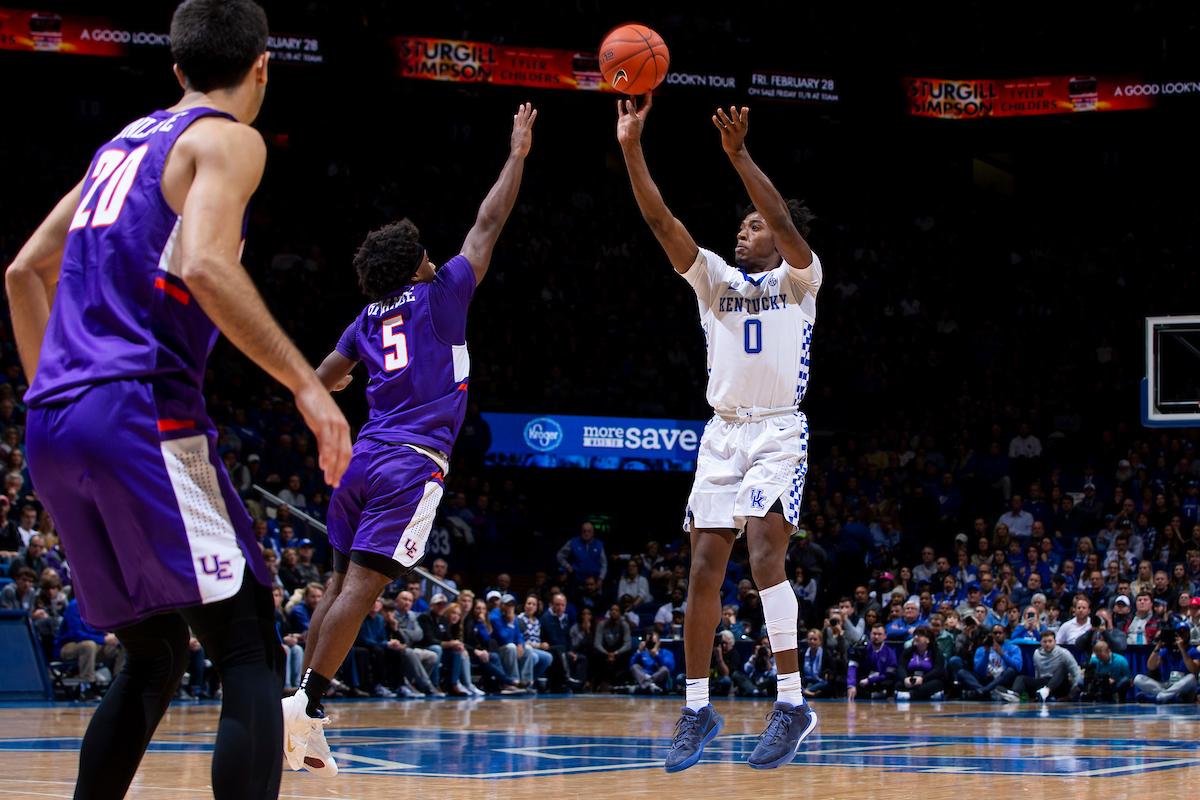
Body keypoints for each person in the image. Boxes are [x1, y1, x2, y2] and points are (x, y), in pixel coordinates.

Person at [6, 3, 354, 796]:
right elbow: (203, 263)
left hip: (54, 422)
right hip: (139, 411)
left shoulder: (118, 147)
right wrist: (307, 384)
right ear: (263, 65)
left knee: (157, 650)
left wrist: (51, 392)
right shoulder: (227, 138)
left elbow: (24, 271)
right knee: (250, 650)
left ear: (177, 70)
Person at [283, 103, 537, 775]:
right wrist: (517, 154)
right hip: (409, 463)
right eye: (425, 254)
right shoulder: (442, 294)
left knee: (338, 584)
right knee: (362, 592)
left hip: (362, 459)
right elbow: (488, 224)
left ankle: (303, 723)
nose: (434, 258)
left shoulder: (364, 320)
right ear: (416, 268)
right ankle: (306, 703)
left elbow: (322, 381)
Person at [618, 95, 821, 772]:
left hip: (776, 432)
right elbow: (659, 218)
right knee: (704, 570)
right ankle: (697, 706)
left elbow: (788, 221)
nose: (745, 229)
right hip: (723, 435)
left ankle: (791, 702)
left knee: (766, 552)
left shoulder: (800, 280)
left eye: (754, 224)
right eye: (741, 223)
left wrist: (738, 156)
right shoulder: (713, 279)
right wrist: (630, 147)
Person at [1133, 624, 1199, 703]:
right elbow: (1151, 666)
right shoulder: (1167, 650)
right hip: (1167, 684)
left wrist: (1182, 649)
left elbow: (1193, 669)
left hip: (1184, 686)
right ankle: (1170, 696)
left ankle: (1159, 697)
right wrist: (1159, 645)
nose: (1183, 634)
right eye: (1180, 632)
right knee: (1138, 678)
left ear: (1189, 634)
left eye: (1185, 632)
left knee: (1191, 678)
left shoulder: (1193, 651)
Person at [1012, 630, 1082, 702]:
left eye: (1050, 641)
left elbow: (1076, 673)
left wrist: (1071, 695)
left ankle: (1047, 690)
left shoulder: (1063, 653)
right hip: (1044, 682)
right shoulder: (1037, 653)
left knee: (1061, 669)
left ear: (1055, 641)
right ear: (1041, 642)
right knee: (1021, 678)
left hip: (1060, 684)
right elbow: (1037, 674)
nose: (1047, 644)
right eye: (1045, 642)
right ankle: (1014, 695)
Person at [958, 624, 1021, 700]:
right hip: (985, 678)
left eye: (1000, 633)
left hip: (1001, 679)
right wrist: (986, 652)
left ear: (1005, 635)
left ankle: (982, 691)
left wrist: (1001, 654)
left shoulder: (1013, 648)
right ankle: (985, 691)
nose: (997, 635)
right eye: (995, 633)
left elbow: (1017, 667)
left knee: (1010, 671)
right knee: (962, 672)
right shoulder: (982, 649)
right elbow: (978, 671)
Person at [894, 625, 946, 701]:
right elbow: (901, 667)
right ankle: (929, 695)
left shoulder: (936, 652)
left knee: (936, 684)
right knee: (899, 685)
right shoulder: (908, 651)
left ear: (928, 640)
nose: (916, 637)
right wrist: (905, 679)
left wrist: (923, 679)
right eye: (915, 635)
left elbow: (938, 670)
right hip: (912, 680)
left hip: (928, 680)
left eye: (920, 635)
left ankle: (909, 695)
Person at [846, 624, 897, 699]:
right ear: (870, 634)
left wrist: (870, 680)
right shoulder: (860, 649)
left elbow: (889, 675)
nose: (876, 637)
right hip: (862, 682)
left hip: (880, 682)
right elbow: (852, 668)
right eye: (874, 634)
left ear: (885, 636)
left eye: (879, 634)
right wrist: (851, 685)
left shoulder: (890, 653)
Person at [628, 629, 675, 694]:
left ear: (659, 642)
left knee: (665, 670)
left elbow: (670, 667)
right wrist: (639, 652)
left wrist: (656, 655)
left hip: (658, 680)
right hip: (645, 676)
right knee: (635, 666)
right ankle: (650, 686)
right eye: (649, 642)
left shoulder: (666, 653)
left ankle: (645, 685)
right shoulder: (643, 653)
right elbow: (631, 665)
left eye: (653, 643)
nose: (651, 645)